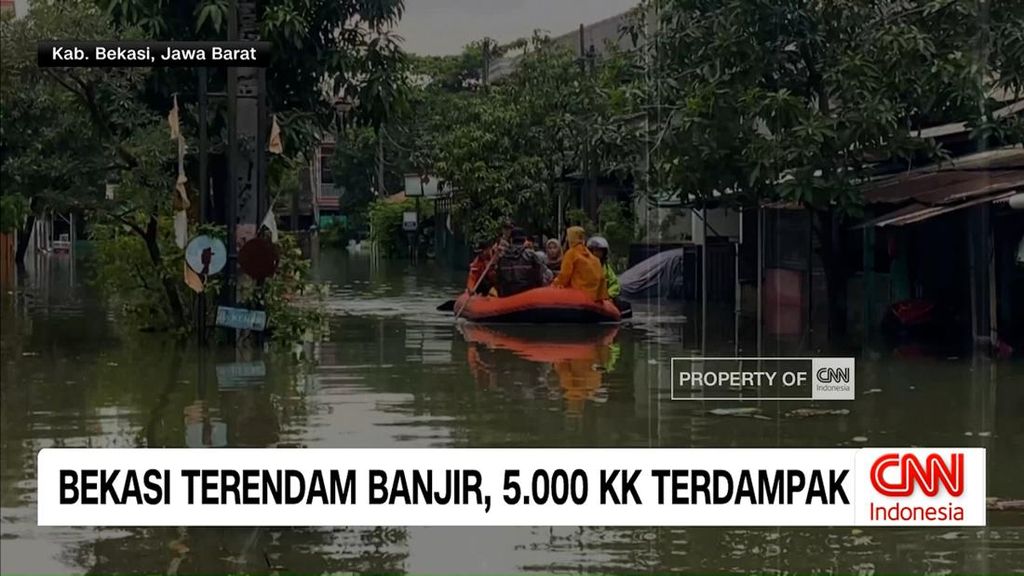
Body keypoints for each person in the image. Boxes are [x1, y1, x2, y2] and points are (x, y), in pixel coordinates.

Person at [553, 226, 608, 301]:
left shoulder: (571, 253)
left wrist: (554, 285)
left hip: (577, 296)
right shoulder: (593, 258)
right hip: (593, 298)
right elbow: (601, 278)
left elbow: (565, 275)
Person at [495, 228, 547, 297]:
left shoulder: (502, 257)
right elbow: (539, 276)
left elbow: (498, 279)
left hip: (508, 296)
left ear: (511, 240)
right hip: (527, 295)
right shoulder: (531, 255)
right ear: (525, 240)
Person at [587, 236, 630, 315]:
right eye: (594, 250)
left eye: (599, 251)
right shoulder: (584, 266)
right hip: (587, 298)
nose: (596, 253)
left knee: (625, 305)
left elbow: (614, 284)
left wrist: (609, 296)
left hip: (604, 299)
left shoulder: (606, 268)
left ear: (604, 253)